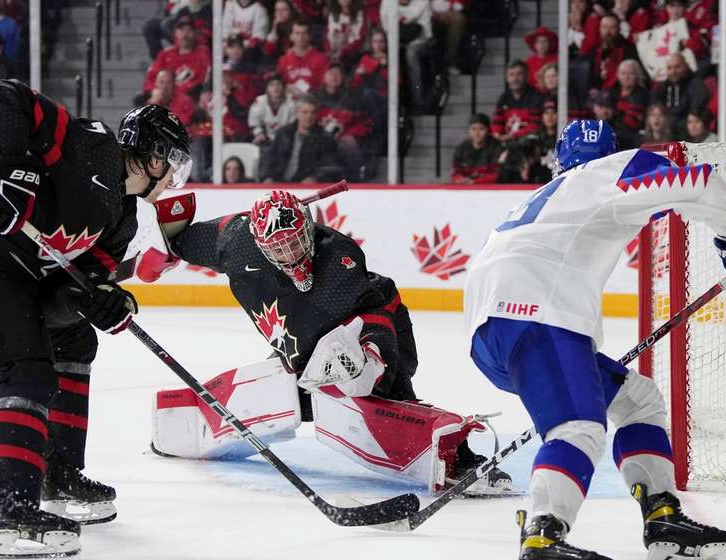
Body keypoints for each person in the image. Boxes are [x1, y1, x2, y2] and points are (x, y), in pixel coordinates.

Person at [465, 119, 726, 560]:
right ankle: (543, 541)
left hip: (490, 333)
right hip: (538, 316)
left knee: (637, 399)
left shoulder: (552, 194)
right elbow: (697, 182)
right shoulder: (613, 170)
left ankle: (664, 519)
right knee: (578, 426)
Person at [0, 81, 192, 559]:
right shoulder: (90, 143)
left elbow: (64, 299)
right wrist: (15, 172)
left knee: (75, 341)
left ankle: (57, 474)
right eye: (175, 164)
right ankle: (11, 510)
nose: (174, 179)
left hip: (16, 267)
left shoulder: (122, 221)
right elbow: (4, 95)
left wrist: (96, 302)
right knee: (28, 370)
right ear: (154, 156)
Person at [137, 189, 516, 496]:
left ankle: (452, 456)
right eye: (279, 249)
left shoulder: (340, 260)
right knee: (282, 391)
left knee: (373, 394)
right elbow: (179, 238)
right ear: (260, 246)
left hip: (374, 324)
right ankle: (182, 423)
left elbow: (373, 319)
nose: (292, 255)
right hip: (303, 347)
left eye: (297, 242)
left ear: (308, 227)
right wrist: (146, 242)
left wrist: (370, 360)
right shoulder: (238, 242)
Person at [261, 95, 343, 183]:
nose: (309, 117)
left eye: (313, 113)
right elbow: (268, 158)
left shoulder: (325, 139)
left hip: (306, 187)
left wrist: (314, 178)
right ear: (297, 113)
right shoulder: (283, 134)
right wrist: (267, 177)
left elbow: (331, 167)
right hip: (279, 184)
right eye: (305, 112)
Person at [314, 62, 373, 181]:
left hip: (344, 137)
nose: (334, 77)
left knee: (349, 143)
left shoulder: (354, 97)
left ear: (343, 77)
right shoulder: (314, 97)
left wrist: (346, 133)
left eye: (338, 74)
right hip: (319, 136)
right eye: (331, 73)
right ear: (324, 76)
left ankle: (352, 182)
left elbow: (364, 123)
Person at [380, 0, 433, 113]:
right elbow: (386, 27)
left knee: (411, 54)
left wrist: (407, 42)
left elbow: (425, 33)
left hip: (419, 40)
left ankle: (417, 100)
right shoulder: (388, 2)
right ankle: (390, 102)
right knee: (386, 52)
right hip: (395, 38)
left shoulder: (423, 2)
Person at [142, 14, 212, 100]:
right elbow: (150, 79)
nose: (185, 34)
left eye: (189, 30)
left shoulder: (203, 53)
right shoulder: (165, 54)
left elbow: (206, 80)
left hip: (192, 99)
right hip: (168, 99)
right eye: (181, 30)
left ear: (194, 33)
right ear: (175, 33)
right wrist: (154, 91)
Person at [650, 52, 709, 138]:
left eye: (677, 67)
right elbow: (653, 107)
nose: (673, 72)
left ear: (686, 66)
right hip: (666, 130)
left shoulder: (695, 84)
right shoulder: (662, 87)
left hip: (686, 133)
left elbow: (696, 110)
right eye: (669, 68)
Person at [490, 60, 542, 143]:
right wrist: (497, 134)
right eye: (511, 75)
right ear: (507, 78)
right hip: (506, 140)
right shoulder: (504, 97)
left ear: (526, 76)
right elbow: (497, 121)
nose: (515, 78)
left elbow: (535, 126)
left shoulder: (535, 97)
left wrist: (511, 136)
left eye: (519, 74)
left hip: (528, 142)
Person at [277, 19, 330, 99]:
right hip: (289, 101)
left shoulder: (321, 59)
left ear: (310, 36)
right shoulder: (283, 60)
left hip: (313, 101)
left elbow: (325, 87)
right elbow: (278, 84)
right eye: (297, 33)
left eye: (304, 33)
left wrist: (308, 95)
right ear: (291, 36)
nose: (301, 37)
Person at [588, 13, 639, 90]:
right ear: (599, 29)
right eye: (604, 27)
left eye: (612, 27)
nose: (608, 32)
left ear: (618, 29)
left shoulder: (629, 51)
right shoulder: (594, 52)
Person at [451, 113, 501, 184]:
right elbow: (455, 172)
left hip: (490, 189)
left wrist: (475, 181)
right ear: (469, 131)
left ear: (488, 131)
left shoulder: (497, 147)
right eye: (473, 129)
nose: (477, 133)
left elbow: (498, 175)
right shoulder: (462, 148)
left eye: (481, 129)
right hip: (467, 187)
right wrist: (460, 179)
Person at [248, 73, 296, 145]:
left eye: (278, 84)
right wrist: (259, 134)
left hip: (287, 140)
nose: (275, 87)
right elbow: (253, 123)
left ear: (283, 87)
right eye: (271, 84)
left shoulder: (291, 101)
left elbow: (294, 125)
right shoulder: (260, 101)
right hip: (266, 140)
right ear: (267, 88)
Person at [326, 0, 366, 69]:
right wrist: (330, 50)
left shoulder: (360, 14)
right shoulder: (332, 15)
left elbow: (359, 38)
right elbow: (328, 35)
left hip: (352, 56)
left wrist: (343, 52)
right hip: (333, 54)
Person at [524, 26, 557, 93]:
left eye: (545, 41)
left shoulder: (557, 59)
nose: (542, 44)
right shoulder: (529, 62)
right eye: (539, 42)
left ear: (550, 44)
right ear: (535, 45)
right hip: (534, 95)